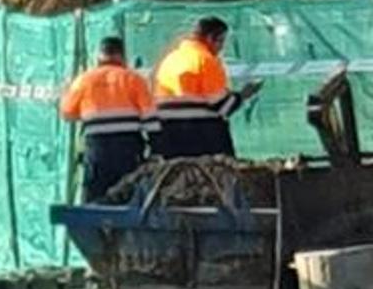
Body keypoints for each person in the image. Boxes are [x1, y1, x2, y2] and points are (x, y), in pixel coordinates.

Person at [59, 36, 157, 202]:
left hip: (97, 148)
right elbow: (150, 118)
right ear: (122, 56)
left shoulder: (84, 80)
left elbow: (67, 113)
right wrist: (156, 145)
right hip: (127, 148)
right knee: (128, 195)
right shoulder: (133, 79)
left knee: (95, 197)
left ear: (99, 56)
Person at [152, 17, 263, 158]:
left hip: (167, 133)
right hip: (200, 136)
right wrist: (243, 95)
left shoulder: (170, 59)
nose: (221, 47)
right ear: (210, 38)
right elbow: (223, 106)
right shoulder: (205, 60)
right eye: (221, 41)